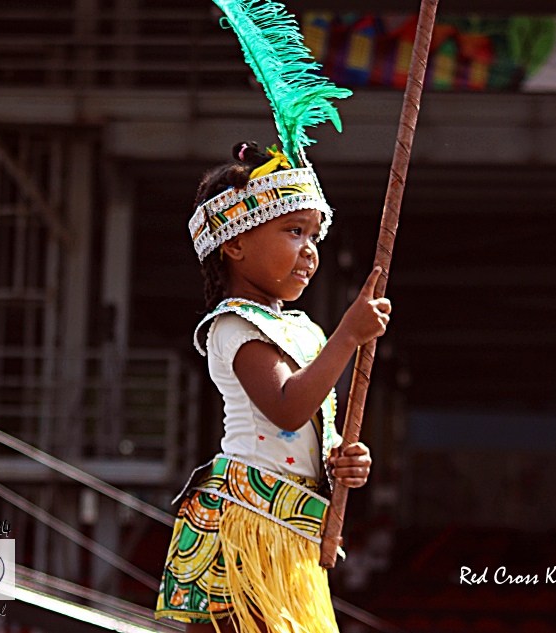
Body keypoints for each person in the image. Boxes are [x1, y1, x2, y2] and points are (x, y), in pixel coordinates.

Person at [155, 141, 392, 633]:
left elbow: (309, 426)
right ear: (235, 244)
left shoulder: (304, 330)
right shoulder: (233, 325)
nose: (309, 250)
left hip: (292, 525)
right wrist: (349, 335)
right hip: (246, 524)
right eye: (292, 231)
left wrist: (341, 460)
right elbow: (287, 409)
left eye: (313, 235)